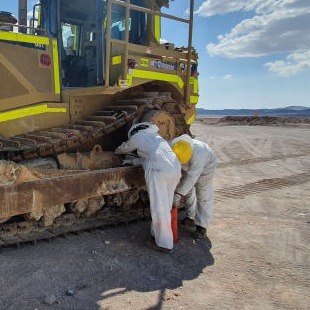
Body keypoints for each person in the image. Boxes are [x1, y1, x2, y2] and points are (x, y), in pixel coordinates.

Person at [115, 122, 181, 253]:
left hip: (158, 172)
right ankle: (158, 234)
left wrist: (115, 152)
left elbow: (124, 148)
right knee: (165, 205)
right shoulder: (157, 138)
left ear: (135, 131)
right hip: (174, 169)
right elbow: (152, 156)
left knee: (159, 207)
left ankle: (164, 244)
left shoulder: (138, 137)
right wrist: (132, 161)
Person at [170, 134, 216, 239]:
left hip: (206, 168)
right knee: (188, 192)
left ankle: (202, 226)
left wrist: (178, 194)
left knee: (203, 195)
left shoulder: (200, 154)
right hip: (187, 166)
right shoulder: (174, 145)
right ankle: (190, 218)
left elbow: (192, 177)